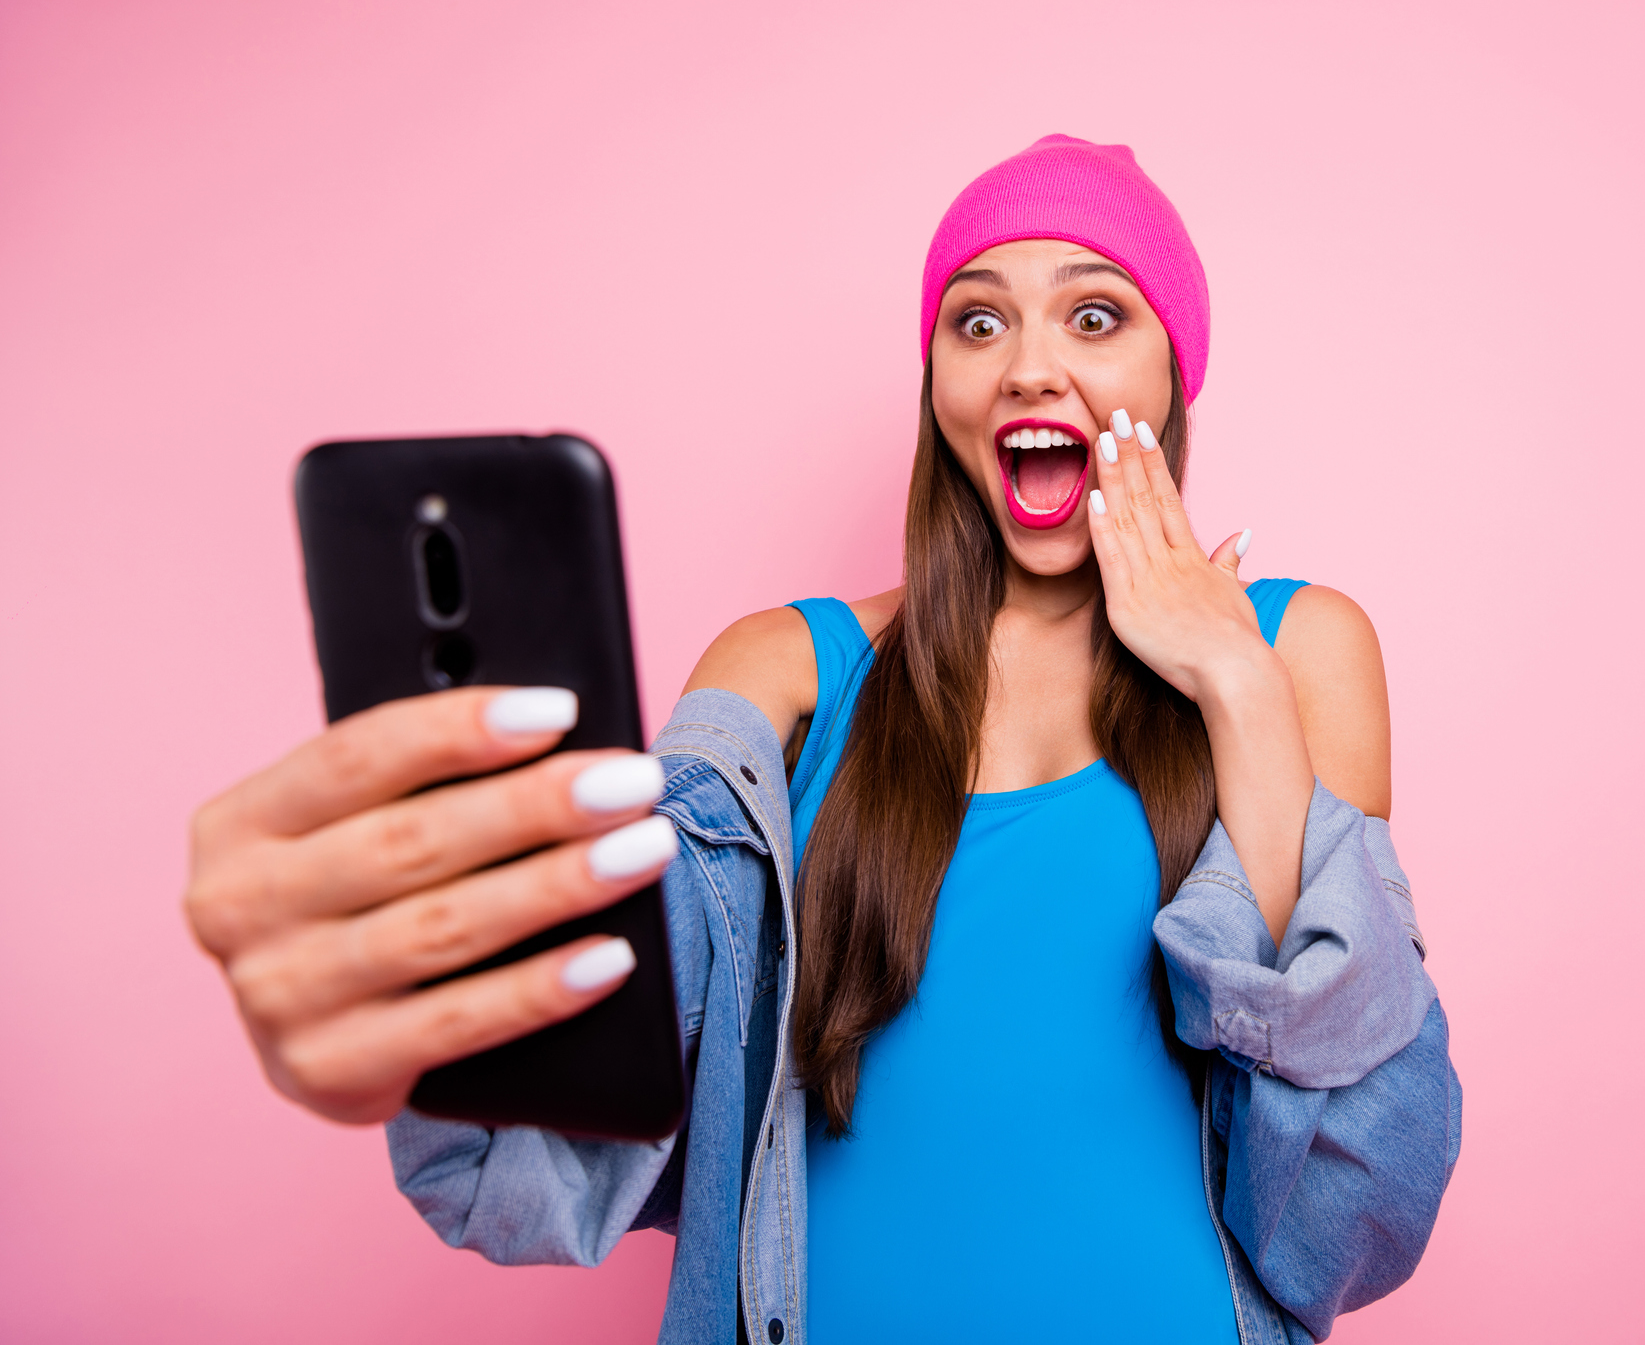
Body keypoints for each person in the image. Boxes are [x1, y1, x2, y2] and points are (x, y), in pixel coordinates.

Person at [186, 135, 1461, 1344]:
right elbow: (583, 1080)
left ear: (1174, 372)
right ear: (940, 385)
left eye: (1093, 315)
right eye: (977, 321)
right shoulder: (787, 672)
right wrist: (415, 1007)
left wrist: (1228, 679)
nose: (1027, 366)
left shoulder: (1296, 647)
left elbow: (1351, 1217)